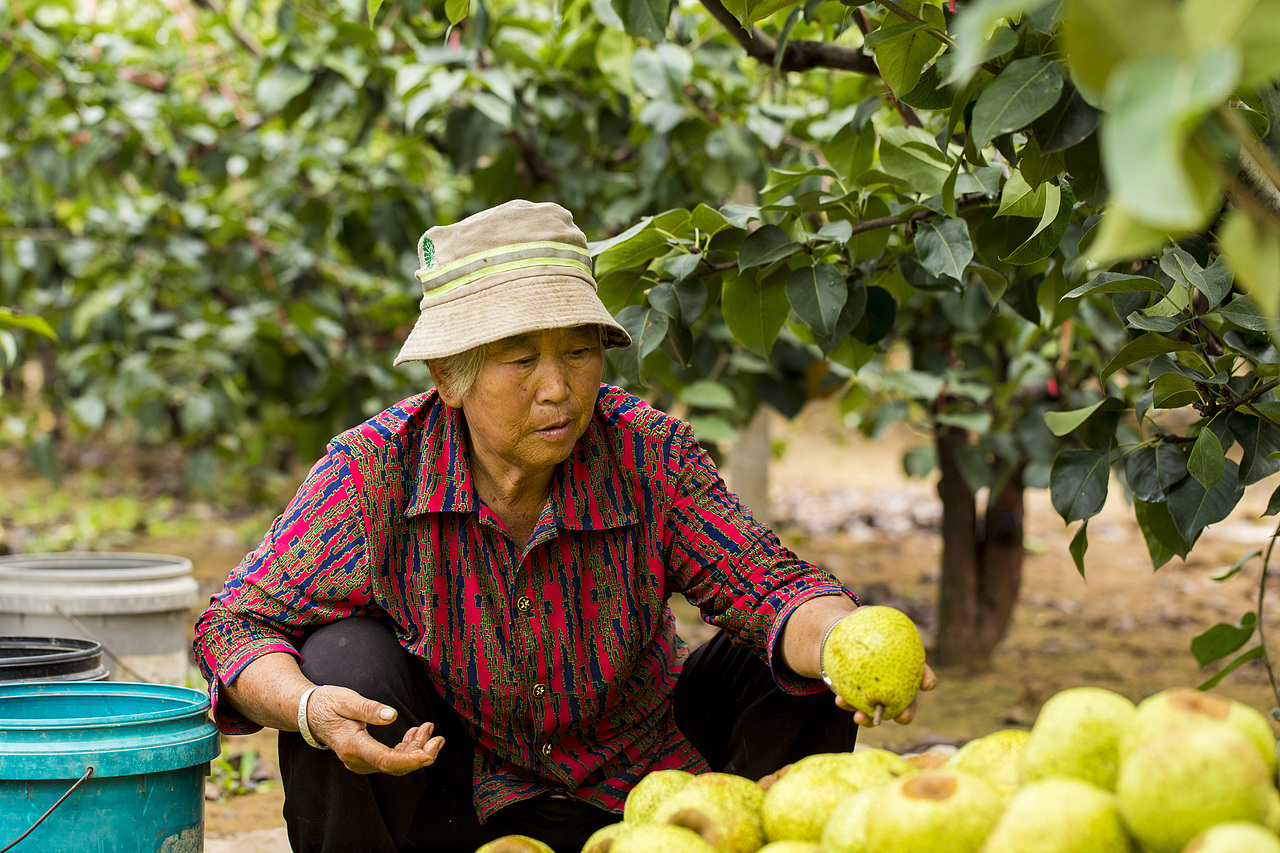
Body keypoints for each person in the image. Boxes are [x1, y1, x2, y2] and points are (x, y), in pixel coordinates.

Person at [193, 199, 936, 853]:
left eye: (578, 352)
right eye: (522, 359)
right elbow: (233, 624)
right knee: (340, 659)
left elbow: (769, 586)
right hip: (458, 791)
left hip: (654, 784)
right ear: (449, 376)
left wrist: (842, 642)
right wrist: (309, 708)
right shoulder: (377, 470)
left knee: (794, 662)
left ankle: (750, 836)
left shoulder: (647, 452)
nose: (558, 388)